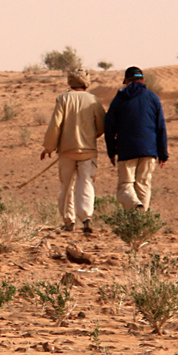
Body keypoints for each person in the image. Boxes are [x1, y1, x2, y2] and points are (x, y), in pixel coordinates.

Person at [41, 71, 108, 234]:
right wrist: (91, 136)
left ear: (70, 83)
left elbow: (55, 124)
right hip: (87, 150)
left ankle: (68, 220)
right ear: (86, 83)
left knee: (66, 185)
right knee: (86, 182)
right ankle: (86, 219)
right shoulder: (93, 100)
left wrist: (49, 147)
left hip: (66, 151)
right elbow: (102, 125)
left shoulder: (63, 99)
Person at [103, 66, 168, 210]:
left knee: (125, 187)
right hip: (149, 150)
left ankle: (135, 205)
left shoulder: (119, 99)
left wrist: (111, 151)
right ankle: (141, 221)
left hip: (127, 150)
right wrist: (163, 154)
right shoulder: (153, 98)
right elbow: (161, 127)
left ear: (126, 81)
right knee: (143, 186)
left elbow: (109, 126)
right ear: (143, 80)